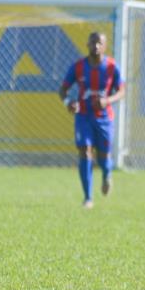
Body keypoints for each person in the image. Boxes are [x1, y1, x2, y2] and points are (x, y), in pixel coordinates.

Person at [58, 32, 126, 208]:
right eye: (93, 42)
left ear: (104, 46)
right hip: (83, 116)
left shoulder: (112, 66)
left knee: (103, 155)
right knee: (85, 151)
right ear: (87, 44)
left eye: (99, 43)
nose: (96, 46)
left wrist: (107, 100)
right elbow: (63, 89)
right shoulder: (78, 67)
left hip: (104, 118)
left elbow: (121, 91)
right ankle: (88, 198)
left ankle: (106, 175)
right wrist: (68, 102)